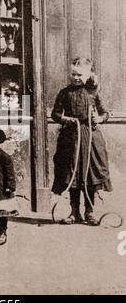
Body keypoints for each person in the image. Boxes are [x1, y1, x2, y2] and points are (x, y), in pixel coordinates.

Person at [52, 57, 112, 226]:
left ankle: (89, 211)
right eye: (73, 74)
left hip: (91, 138)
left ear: (88, 75)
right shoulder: (65, 93)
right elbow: (55, 114)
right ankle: (74, 212)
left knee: (89, 174)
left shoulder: (93, 92)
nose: (76, 78)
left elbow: (105, 113)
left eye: (80, 75)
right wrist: (66, 119)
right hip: (70, 139)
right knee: (73, 174)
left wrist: (98, 118)